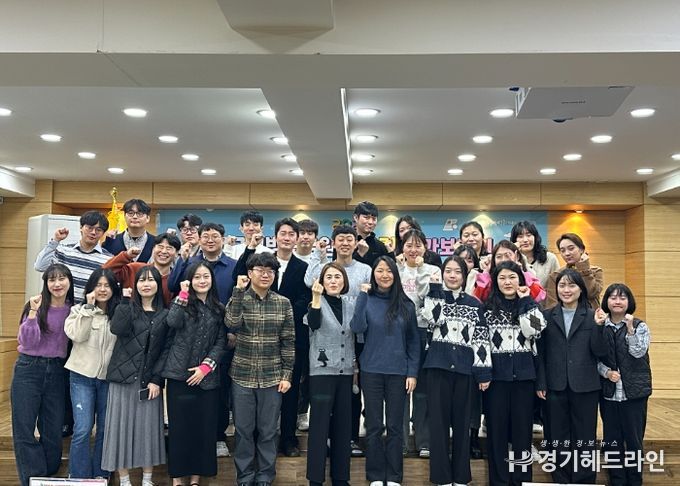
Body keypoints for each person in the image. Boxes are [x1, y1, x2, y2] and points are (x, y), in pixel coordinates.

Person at [233, 218, 311, 457]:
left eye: (291, 234)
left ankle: (287, 438)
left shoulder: (303, 267)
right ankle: (258, 440)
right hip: (255, 339)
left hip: (291, 335)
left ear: (297, 239)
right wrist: (250, 248)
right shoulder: (262, 261)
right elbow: (240, 277)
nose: (287, 238)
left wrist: (280, 314)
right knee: (259, 396)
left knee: (289, 390)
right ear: (275, 237)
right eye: (283, 233)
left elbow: (304, 298)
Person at [225, 252, 295, 486]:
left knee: (268, 431)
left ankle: (265, 475)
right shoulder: (239, 298)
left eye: (270, 271)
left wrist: (287, 375)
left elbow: (288, 342)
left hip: (272, 376)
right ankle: (245, 476)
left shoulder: (283, 303)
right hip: (242, 375)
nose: (265, 275)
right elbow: (231, 323)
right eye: (260, 270)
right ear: (250, 273)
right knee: (243, 430)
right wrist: (238, 291)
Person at [422, 255, 492, 486]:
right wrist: (434, 289)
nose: (452, 276)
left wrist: (483, 372)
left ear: (465, 275)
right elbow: (434, 318)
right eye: (448, 271)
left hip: (465, 371)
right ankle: (441, 477)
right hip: (438, 368)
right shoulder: (434, 297)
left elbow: (481, 341)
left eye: (457, 271)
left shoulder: (475, 304)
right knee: (438, 425)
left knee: (463, 425)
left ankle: (461, 477)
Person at [169, 222, 237, 457]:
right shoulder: (190, 263)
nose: (210, 240)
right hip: (187, 344)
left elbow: (237, 298)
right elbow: (172, 287)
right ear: (198, 238)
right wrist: (182, 261)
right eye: (205, 236)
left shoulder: (233, 266)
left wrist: (231, 331)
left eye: (215, 236)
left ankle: (218, 436)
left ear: (223, 239)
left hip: (220, 337)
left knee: (218, 393)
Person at [350, 256, 420, 486]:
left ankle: (394, 476)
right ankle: (376, 476)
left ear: (395, 275)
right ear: (373, 274)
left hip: (399, 372)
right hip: (371, 371)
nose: (384, 275)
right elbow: (357, 327)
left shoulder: (406, 304)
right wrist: (362, 296)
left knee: (395, 426)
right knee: (374, 426)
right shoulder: (367, 300)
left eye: (389, 271)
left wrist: (412, 373)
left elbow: (414, 342)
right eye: (380, 270)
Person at [304, 224, 372, 457]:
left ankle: (350, 438)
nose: (345, 243)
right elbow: (309, 281)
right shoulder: (326, 268)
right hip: (327, 339)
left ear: (356, 242)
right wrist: (318, 255)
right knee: (325, 400)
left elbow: (369, 298)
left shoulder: (364, 269)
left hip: (356, 338)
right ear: (334, 242)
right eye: (340, 239)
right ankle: (325, 440)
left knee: (352, 393)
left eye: (349, 239)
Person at [536, 269, 607, 484]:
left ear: (581, 289)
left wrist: (599, 327)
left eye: (572, 285)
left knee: (585, 437)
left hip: (585, 385)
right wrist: (541, 382)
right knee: (557, 437)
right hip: (554, 385)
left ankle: (584, 480)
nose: (566, 290)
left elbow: (600, 351)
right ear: (556, 289)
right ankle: (562, 479)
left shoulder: (592, 316)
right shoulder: (546, 316)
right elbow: (540, 353)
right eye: (562, 285)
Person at [101, 266, 170, 486]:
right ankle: (124, 481)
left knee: (148, 429)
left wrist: (157, 380)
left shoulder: (165, 314)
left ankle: (147, 480)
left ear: (158, 285)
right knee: (120, 429)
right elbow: (117, 329)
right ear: (135, 284)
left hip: (149, 381)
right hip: (123, 378)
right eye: (141, 280)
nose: (146, 284)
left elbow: (166, 351)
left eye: (151, 280)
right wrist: (124, 301)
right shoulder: (127, 307)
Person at [163, 262, 227, 486]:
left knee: (203, 430)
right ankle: (177, 479)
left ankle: (195, 479)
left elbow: (221, 342)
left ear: (212, 280)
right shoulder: (181, 303)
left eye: (206, 276)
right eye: (197, 277)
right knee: (180, 430)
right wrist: (182, 295)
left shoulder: (218, 308)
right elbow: (172, 322)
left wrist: (205, 367)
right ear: (190, 281)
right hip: (179, 377)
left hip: (206, 380)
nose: (202, 281)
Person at [483, 261, 546, 486]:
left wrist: (526, 300)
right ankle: (499, 481)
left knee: (522, 435)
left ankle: (521, 480)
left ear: (520, 280)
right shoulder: (487, 309)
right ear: (495, 281)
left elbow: (535, 330)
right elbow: (482, 345)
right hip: (496, 380)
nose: (507, 282)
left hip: (524, 378)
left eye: (512, 277)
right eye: (502, 278)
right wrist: (484, 374)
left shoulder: (529, 306)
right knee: (497, 435)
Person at [11, 264, 74, 486]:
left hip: (57, 370)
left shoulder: (73, 310)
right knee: (24, 427)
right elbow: (27, 342)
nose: (57, 284)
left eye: (62, 278)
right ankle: (33, 477)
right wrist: (32, 313)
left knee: (53, 429)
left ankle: (48, 475)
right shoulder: (35, 306)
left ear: (69, 281)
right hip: (29, 369)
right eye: (52, 279)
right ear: (46, 283)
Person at [64, 268, 121, 480]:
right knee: (83, 428)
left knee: (105, 429)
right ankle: (78, 477)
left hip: (108, 379)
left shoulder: (119, 313)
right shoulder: (78, 310)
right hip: (81, 377)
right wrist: (88, 310)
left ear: (113, 289)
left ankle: (101, 476)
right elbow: (77, 336)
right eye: (98, 285)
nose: (102, 289)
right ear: (90, 288)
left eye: (107, 285)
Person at [597, 283, 651, 486]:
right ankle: (617, 481)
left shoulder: (640, 326)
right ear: (607, 301)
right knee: (612, 442)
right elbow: (594, 357)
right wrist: (606, 372)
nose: (617, 301)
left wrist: (630, 330)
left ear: (629, 302)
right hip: (609, 393)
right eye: (613, 297)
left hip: (634, 393)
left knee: (634, 441)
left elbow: (638, 352)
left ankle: (635, 481)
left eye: (622, 297)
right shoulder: (600, 326)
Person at [305, 263, 354, 486]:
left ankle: (341, 478)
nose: (333, 281)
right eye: (329, 277)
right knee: (319, 426)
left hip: (346, 373)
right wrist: (316, 297)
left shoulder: (350, 304)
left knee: (343, 426)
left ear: (344, 281)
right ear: (322, 282)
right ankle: (315, 479)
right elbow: (313, 324)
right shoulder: (315, 303)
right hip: (321, 373)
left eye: (337, 277)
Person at [395, 229, 441, 458]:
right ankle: (401, 442)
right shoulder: (395, 269)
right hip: (399, 333)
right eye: (408, 245)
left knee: (422, 389)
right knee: (400, 388)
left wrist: (420, 270)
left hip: (424, 332)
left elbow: (426, 296)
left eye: (418, 245)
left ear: (425, 247)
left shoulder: (433, 270)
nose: (413, 250)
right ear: (402, 247)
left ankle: (424, 441)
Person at [35, 210, 112, 302]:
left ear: (103, 233)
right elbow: (40, 266)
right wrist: (55, 240)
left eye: (98, 230)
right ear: (81, 228)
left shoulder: (108, 259)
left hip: (89, 308)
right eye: (89, 228)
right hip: (62, 307)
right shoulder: (63, 251)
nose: (93, 232)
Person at [103, 232, 181, 306]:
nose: (164, 251)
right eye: (160, 247)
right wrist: (126, 255)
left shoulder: (176, 280)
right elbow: (104, 272)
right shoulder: (135, 269)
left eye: (169, 248)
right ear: (153, 249)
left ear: (177, 253)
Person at [473, 240, 546, 304]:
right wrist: (486, 273)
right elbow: (478, 299)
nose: (503, 260)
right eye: (499, 257)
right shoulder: (488, 278)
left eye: (507, 255)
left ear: (517, 256)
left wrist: (521, 273)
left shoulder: (528, 275)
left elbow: (539, 297)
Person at [545, 233, 604, 309]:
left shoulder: (595, 271)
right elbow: (552, 305)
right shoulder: (555, 275)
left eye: (571, 248)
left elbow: (590, 294)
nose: (567, 253)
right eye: (563, 251)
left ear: (581, 249)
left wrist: (584, 269)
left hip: (591, 315)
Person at [510, 220, 560, 289]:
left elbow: (557, 284)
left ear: (535, 237)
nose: (525, 240)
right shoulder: (510, 260)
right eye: (520, 236)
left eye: (528, 235)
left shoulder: (550, 258)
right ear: (514, 241)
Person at [103, 198, 155, 263]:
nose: (135, 217)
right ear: (124, 216)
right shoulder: (111, 241)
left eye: (139, 213)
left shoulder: (156, 242)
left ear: (147, 218)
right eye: (130, 213)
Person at [352, 201, 394, 267]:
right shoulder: (347, 243)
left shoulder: (381, 246)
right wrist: (359, 253)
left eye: (374, 219)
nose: (370, 222)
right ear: (356, 218)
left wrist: (391, 253)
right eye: (366, 217)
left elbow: (388, 269)